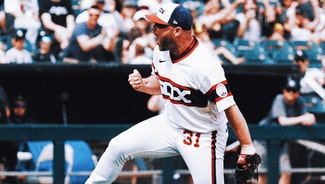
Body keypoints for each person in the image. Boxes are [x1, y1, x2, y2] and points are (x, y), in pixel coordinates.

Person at [86, 3, 258, 184]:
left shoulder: (205, 65)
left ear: (176, 31)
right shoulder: (160, 51)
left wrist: (246, 144)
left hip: (202, 136)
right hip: (170, 124)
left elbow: (229, 106)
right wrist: (144, 84)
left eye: (159, 26)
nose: (153, 29)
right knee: (117, 147)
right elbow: (162, 82)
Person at [255, 76, 316, 184]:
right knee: (263, 174)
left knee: (286, 172)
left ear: (298, 92)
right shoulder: (279, 99)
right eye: (288, 90)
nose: (291, 93)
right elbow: (283, 121)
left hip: (281, 142)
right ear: (284, 90)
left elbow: (307, 117)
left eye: (294, 90)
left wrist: (311, 118)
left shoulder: (300, 101)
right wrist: (303, 118)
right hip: (263, 140)